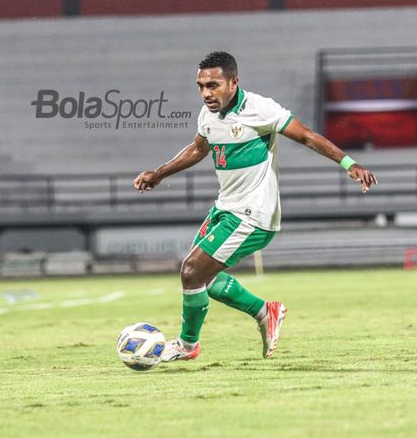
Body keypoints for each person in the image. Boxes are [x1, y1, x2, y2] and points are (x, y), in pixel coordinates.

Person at [133, 51, 377, 362]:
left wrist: (349, 163)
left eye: (213, 85)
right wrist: (158, 173)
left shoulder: (260, 109)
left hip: (253, 214)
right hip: (225, 208)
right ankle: (266, 312)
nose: (206, 93)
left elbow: (307, 137)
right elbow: (198, 149)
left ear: (233, 82)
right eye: (200, 86)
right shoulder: (208, 115)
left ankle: (187, 345)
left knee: (191, 271)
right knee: (203, 280)